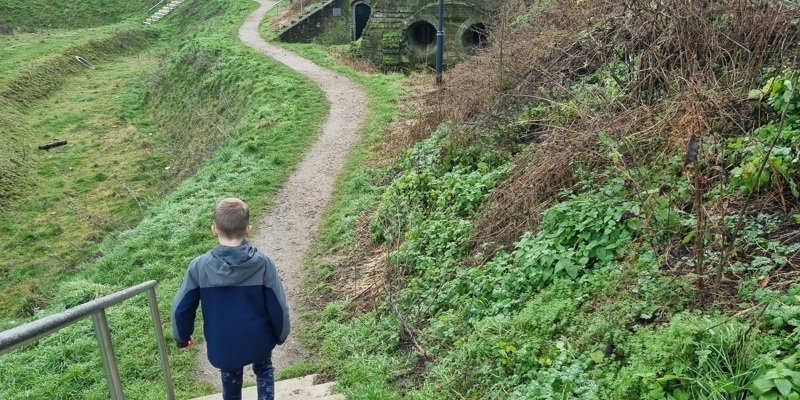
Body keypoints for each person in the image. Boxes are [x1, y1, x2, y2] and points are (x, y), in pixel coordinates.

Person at [171, 197, 290, 400]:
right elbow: (278, 304)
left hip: (224, 344)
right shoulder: (263, 263)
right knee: (264, 370)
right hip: (259, 339)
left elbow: (181, 307)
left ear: (214, 230)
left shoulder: (199, 267)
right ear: (248, 229)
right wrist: (281, 334)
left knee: (231, 381)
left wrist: (182, 337)